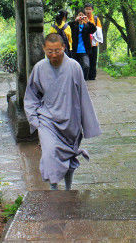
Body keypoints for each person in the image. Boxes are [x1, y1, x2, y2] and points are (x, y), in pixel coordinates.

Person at [24, 33, 102, 190]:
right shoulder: (39, 68)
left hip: (70, 120)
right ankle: (54, 188)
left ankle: (68, 187)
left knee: (67, 155)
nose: (53, 55)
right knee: (49, 153)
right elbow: (31, 96)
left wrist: (86, 124)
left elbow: (83, 97)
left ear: (64, 48)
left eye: (57, 51)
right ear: (44, 49)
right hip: (47, 121)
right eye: (50, 51)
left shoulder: (74, 67)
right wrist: (34, 120)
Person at [67, 8, 97, 79]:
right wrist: (75, 20)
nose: (81, 17)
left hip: (84, 50)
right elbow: (67, 26)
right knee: (75, 67)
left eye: (82, 15)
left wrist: (88, 21)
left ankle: (83, 79)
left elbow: (94, 29)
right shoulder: (74, 25)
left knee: (86, 66)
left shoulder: (86, 26)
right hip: (74, 50)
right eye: (79, 15)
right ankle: (76, 80)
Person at [84, 2, 103, 80]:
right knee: (85, 60)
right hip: (85, 43)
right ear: (84, 10)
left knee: (93, 60)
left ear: (92, 10)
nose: (88, 11)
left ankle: (92, 76)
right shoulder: (83, 18)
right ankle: (85, 76)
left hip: (94, 43)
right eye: (86, 9)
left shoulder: (95, 19)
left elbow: (99, 30)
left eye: (89, 9)